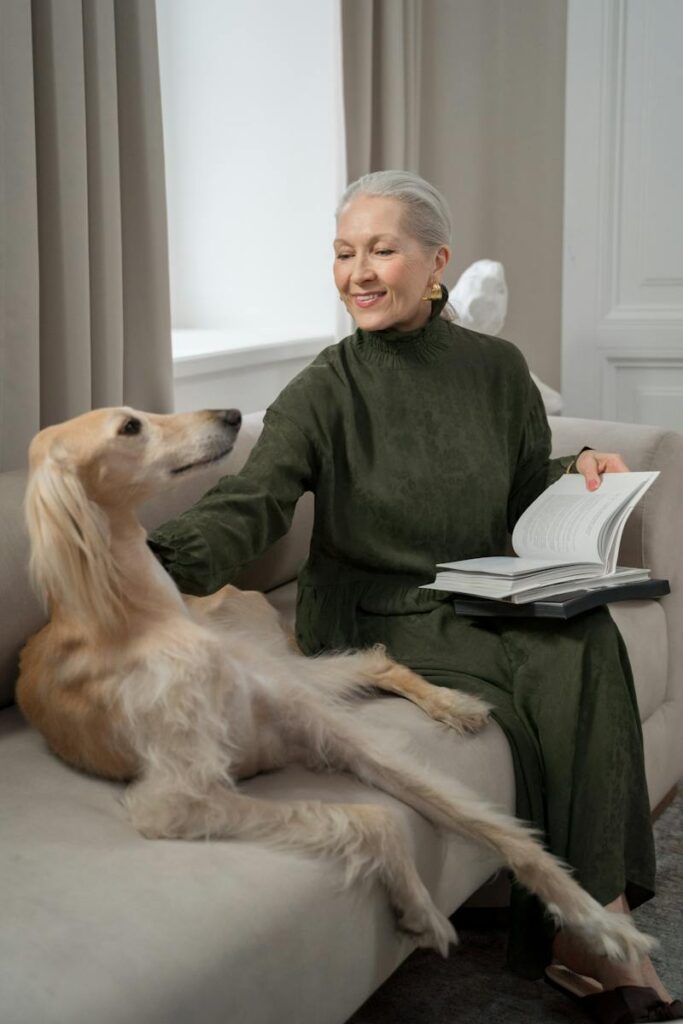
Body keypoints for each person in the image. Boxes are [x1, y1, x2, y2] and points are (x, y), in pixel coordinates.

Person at [149, 171, 680, 1021]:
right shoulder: (326, 385)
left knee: (584, 638)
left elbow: (512, 491)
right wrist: (154, 564)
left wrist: (570, 472)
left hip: (475, 587)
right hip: (369, 606)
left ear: (436, 263)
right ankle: (595, 928)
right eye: (342, 252)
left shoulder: (497, 369)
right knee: (564, 659)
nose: (358, 271)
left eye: (380, 250)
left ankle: (590, 919)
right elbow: (255, 500)